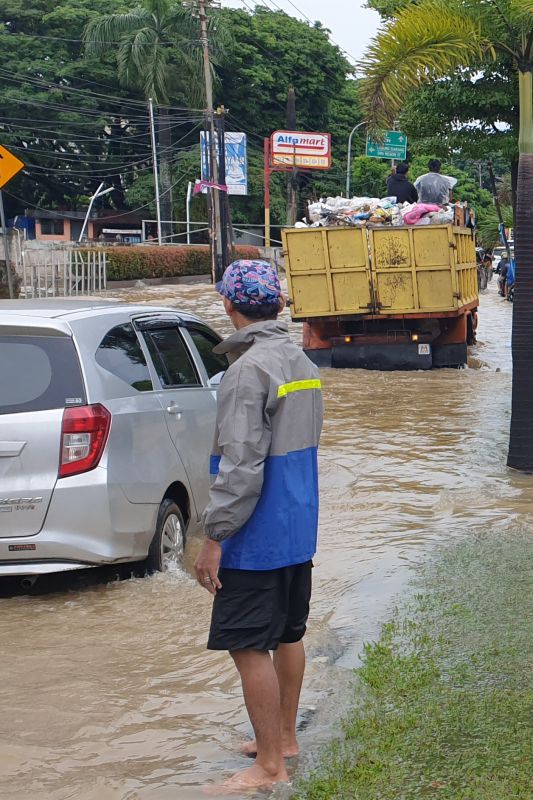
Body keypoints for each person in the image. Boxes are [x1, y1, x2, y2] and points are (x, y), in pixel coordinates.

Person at [193, 259, 324, 792]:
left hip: (257, 532)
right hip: (298, 525)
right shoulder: (299, 358)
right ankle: (284, 738)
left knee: (248, 646)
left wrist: (214, 537)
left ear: (229, 306)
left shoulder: (247, 371)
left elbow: (241, 464)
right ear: (279, 305)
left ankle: (269, 765)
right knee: (288, 633)